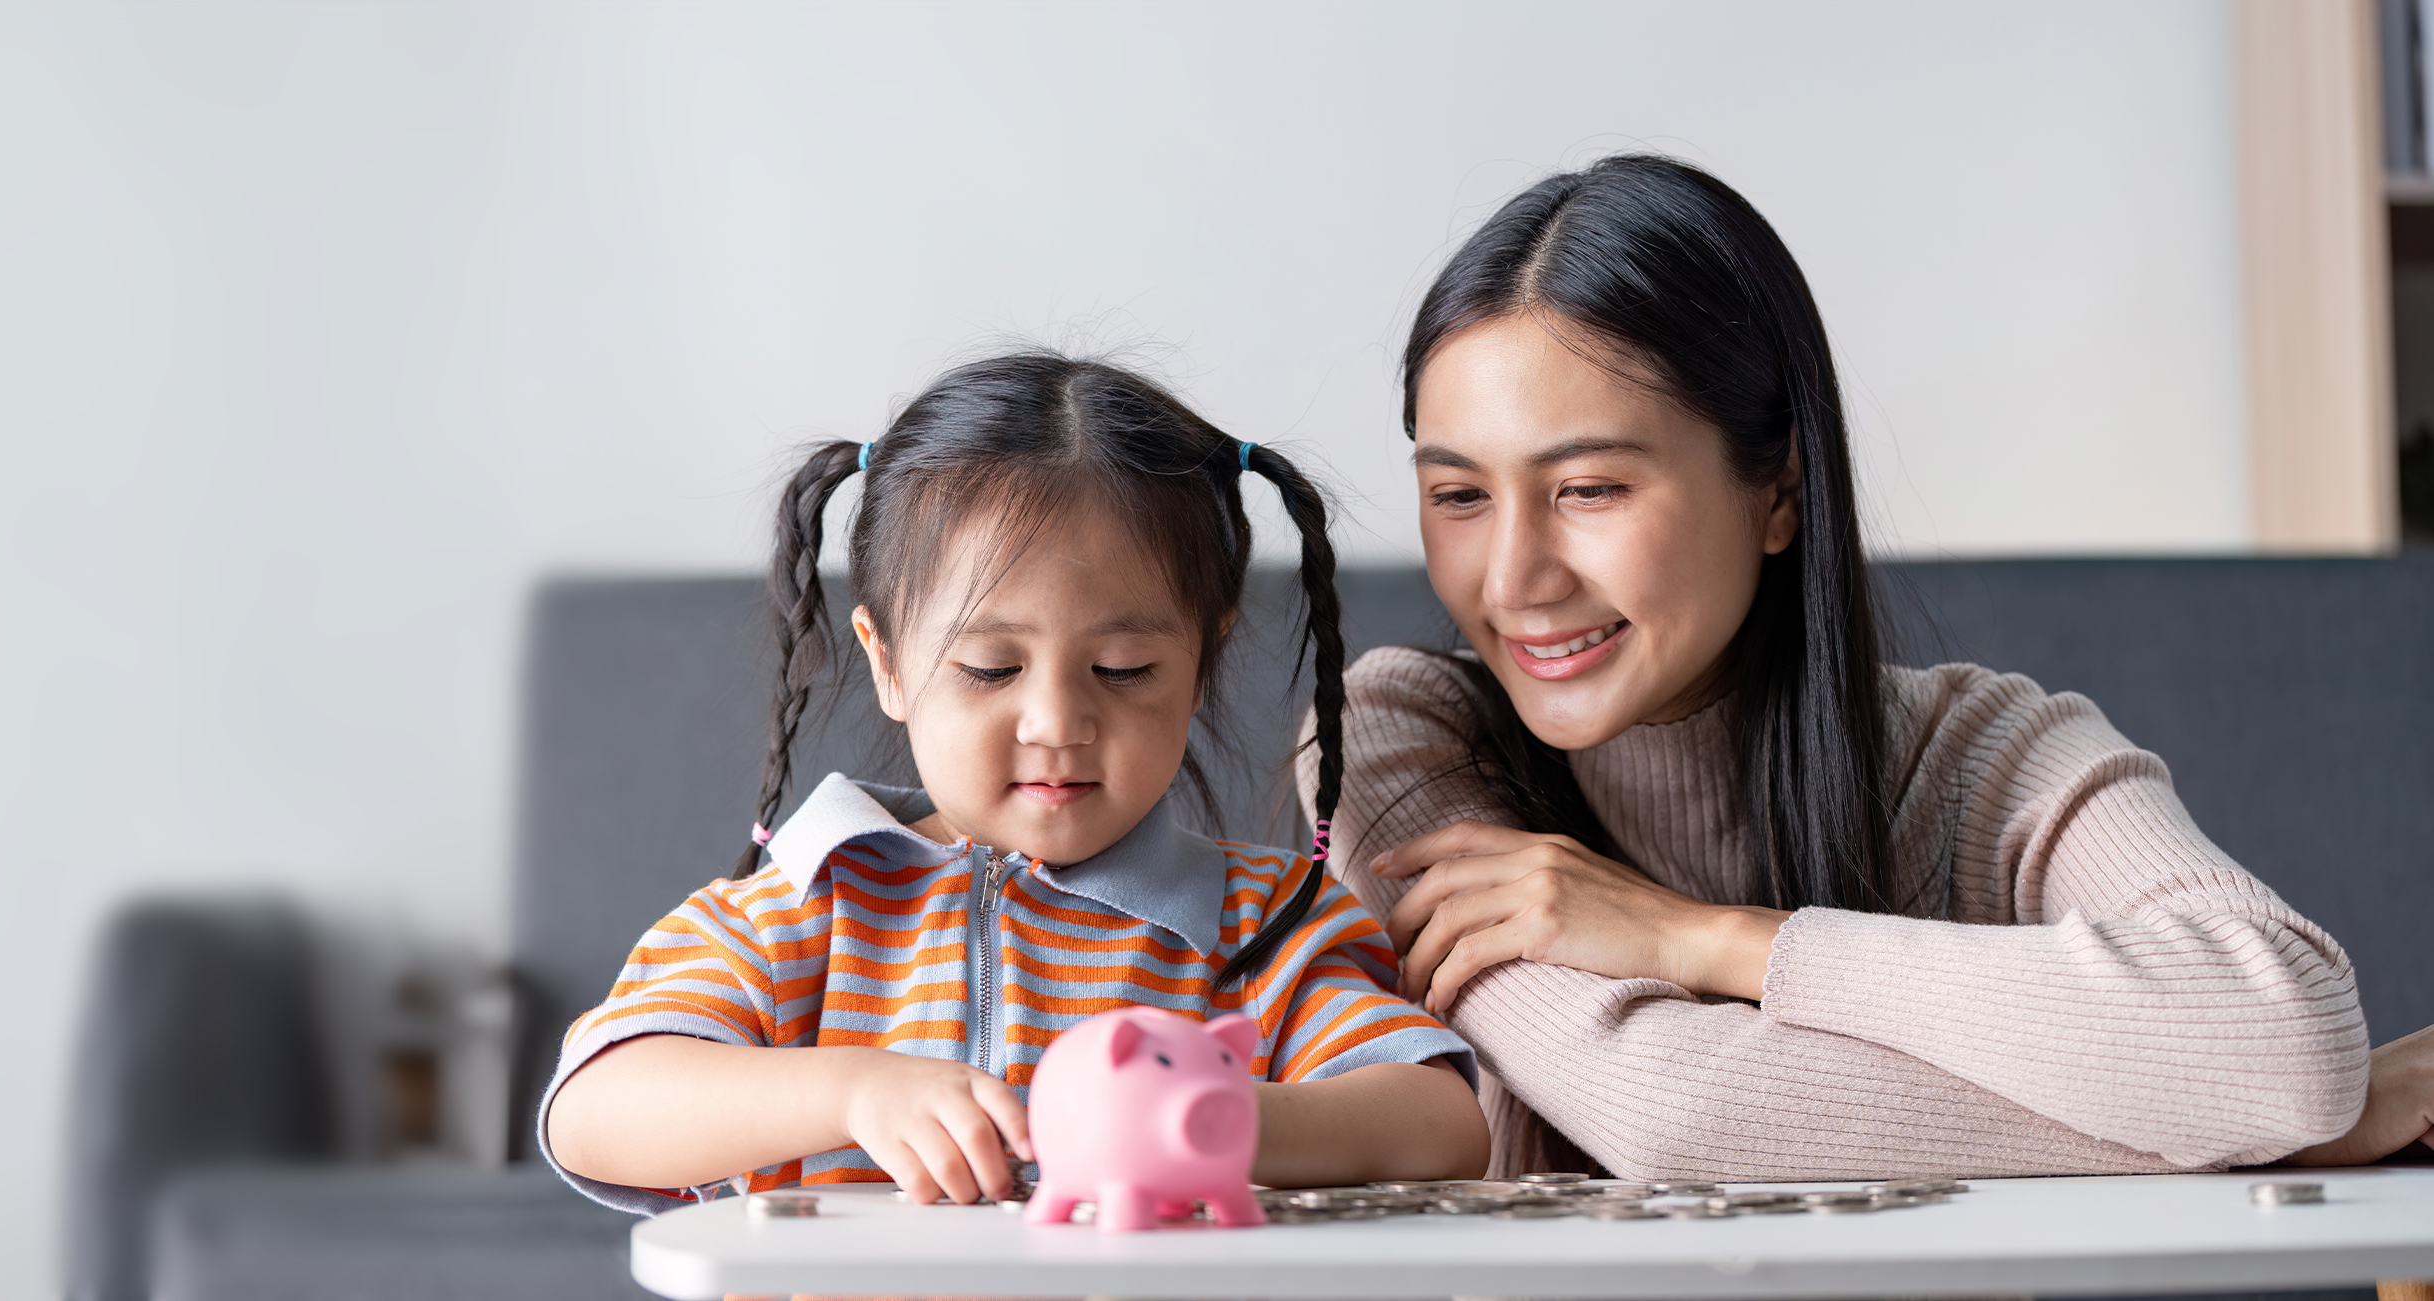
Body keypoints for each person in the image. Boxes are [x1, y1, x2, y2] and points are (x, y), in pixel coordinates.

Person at [1305, 153, 2428, 1180]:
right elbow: (1670, 1110)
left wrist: (1704, 937)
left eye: (1588, 488)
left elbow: (2282, 1036)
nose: (1509, 579)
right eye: (1457, 495)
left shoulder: (1977, 752)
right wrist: (2248, 1124)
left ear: (1778, 491)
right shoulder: (1394, 744)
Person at [540, 352, 1488, 1213]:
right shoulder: (794, 909)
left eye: (1122, 669)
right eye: (991, 669)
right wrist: (853, 1089)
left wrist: (1221, 1117)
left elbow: (1442, 1123)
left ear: (1205, 658)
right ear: (890, 663)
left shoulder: (1265, 925)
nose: (1057, 723)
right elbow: (594, 1105)